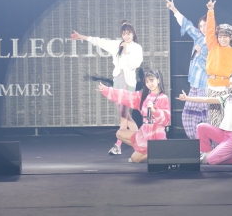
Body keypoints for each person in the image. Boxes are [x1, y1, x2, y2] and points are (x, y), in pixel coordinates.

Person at [71, 20, 143, 155]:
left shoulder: (136, 48)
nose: (126, 36)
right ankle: (141, 142)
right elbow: (99, 41)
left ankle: (118, 145)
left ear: (133, 34)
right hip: (118, 81)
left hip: (128, 83)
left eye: (128, 33)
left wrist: (125, 52)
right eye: (124, 34)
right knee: (126, 116)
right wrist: (81, 37)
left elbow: (135, 64)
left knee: (123, 116)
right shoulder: (117, 45)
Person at [176, 73, 232, 165]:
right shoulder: (229, 97)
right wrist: (187, 98)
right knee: (201, 127)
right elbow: (207, 100)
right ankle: (207, 154)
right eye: (230, 83)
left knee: (211, 160)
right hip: (224, 134)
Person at [98, 70, 170, 163]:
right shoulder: (143, 96)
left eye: (152, 80)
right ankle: (148, 150)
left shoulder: (163, 97)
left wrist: (155, 111)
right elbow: (126, 95)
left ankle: (159, 151)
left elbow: (165, 121)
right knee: (119, 134)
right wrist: (107, 90)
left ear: (158, 80)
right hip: (143, 134)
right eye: (147, 81)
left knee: (134, 159)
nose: (149, 84)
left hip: (155, 137)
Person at [165, 0, 209, 139]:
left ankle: (210, 143)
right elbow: (187, 25)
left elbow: (211, 66)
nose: (202, 28)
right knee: (189, 115)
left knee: (207, 116)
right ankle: (197, 141)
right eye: (201, 26)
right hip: (195, 84)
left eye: (205, 25)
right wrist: (174, 9)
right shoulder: (199, 38)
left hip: (205, 85)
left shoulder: (214, 42)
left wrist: (200, 54)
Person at [204, 0, 232, 129]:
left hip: (228, 89)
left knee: (228, 120)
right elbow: (209, 31)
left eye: (225, 36)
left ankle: (229, 142)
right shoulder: (213, 46)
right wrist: (210, 11)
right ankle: (216, 143)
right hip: (212, 87)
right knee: (214, 121)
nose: (222, 39)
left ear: (231, 37)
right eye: (220, 36)